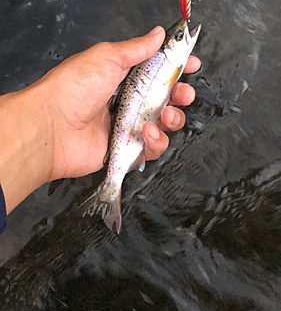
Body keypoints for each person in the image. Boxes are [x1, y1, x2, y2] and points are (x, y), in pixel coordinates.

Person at [0, 26, 201, 232]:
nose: (185, 35)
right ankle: (110, 189)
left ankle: (111, 187)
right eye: (179, 36)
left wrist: (52, 125)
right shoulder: (170, 63)